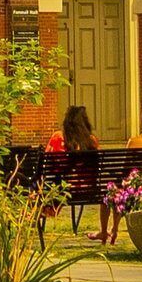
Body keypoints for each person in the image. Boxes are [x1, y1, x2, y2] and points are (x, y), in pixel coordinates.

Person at [61, 103, 108, 244]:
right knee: (107, 192)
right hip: (90, 190)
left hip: (65, 190)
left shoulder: (59, 139)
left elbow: (54, 168)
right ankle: (104, 231)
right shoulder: (92, 141)